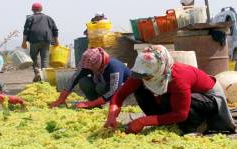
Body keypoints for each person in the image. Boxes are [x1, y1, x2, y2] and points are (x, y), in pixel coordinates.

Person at [104, 45, 236, 134]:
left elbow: (181, 113)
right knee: (140, 89)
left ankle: (200, 123)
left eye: (149, 77)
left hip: (208, 99)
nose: (146, 79)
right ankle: (163, 120)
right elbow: (120, 95)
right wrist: (112, 115)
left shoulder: (178, 78)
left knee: (169, 98)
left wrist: (143, 121)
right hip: (179, 99)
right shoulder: (142, 71)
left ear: (160, 69)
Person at [50, 47, 130, 109]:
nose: (89, 69)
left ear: (99, 64)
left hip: (121, 91)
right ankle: (96, 105)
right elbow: (74, 79)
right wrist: (61, 99)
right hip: (105, 86)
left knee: (100, 87)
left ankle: (102, 104)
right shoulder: (89, 65)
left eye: (92, 68)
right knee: (84, 81)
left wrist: (89, 104)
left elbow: (113, 91)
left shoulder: (114, 68)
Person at [21, 2, 59, 82]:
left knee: (33, 57)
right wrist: (56, 41)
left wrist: (24, 42)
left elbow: (26, 31)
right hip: (46, 40)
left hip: (34, 40)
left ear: (32, 10)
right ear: (41, 9)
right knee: (44, 59)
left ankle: (37, 72)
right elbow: (55, 30)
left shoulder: (30, 18)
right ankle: (44, 77)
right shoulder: (48, 18)